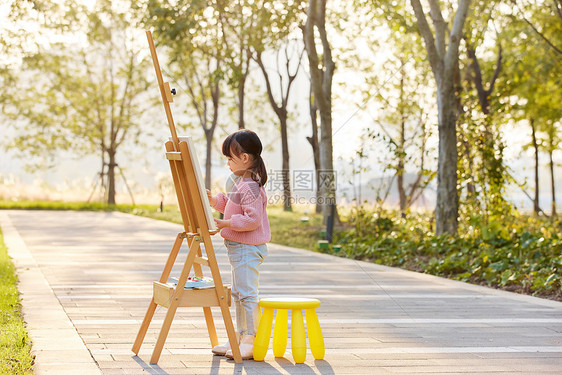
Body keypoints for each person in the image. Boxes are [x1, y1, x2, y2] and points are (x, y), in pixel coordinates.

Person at [206, 129, 270, 360]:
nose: (228, 164)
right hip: (239, 248)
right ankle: (239, 336)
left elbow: (252, 220)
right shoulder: (241, 182)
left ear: (244, 158)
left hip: (247, 248)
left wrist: (225, 223)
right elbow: (231, 204)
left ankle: (251, 339)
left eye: (229, 159)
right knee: (238, 293)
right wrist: (214, 200)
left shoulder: (250, 185)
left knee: (247, 294)